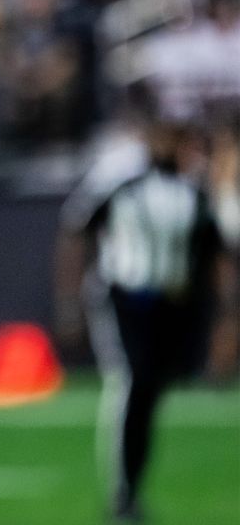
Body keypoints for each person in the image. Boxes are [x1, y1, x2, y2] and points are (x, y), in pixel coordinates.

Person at [55, 118, 236, 524]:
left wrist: (225, 319)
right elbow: (76, 228)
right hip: (123, 296)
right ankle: (123, 497)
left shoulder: (195, 184)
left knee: (150, 391)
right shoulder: (120, 176)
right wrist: (69, 303)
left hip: (171, 306)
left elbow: (216, 251)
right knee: (131, 382)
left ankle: (131, 489)